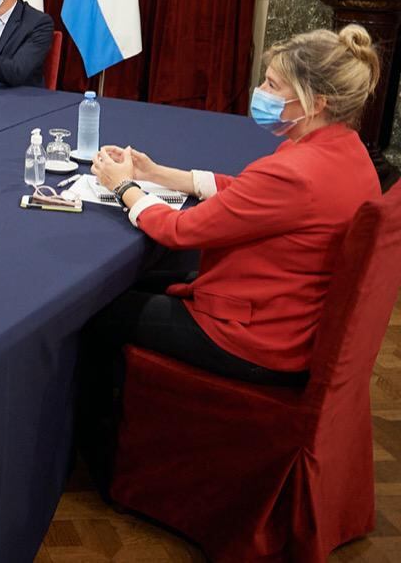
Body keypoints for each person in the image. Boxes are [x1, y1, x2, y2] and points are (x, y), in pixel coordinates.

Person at [89, 25, 382, 385]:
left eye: (273, 86)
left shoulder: (296, 172)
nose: (259, 93)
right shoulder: (345, 149)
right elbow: (248, 193)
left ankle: (103, 432)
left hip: (255, 335)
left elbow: (181, 231)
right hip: (287, 310)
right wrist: (157, 173)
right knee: (132, 281)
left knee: (97, 310)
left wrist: (122, 186)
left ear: (317, 101)